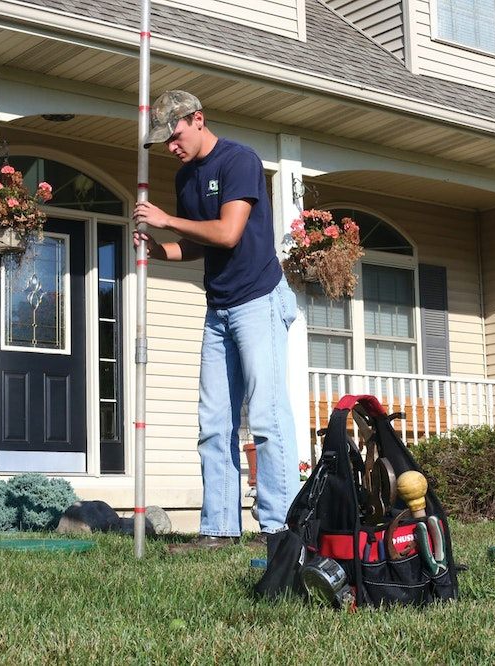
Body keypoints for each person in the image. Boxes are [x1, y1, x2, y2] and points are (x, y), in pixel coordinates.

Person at [133, 90, 299, 553]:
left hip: (258, 299)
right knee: (213, 422)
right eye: (164, 142)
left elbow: (228, 232)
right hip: (219, 307)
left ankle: (280, 527)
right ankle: (220, 528)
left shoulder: (238, 161)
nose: (171, 147)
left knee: (265, 415)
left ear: (198, 119)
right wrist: (159, 249)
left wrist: (166, 219)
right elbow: (201, 244)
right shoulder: (188, 178)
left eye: (175, 135)